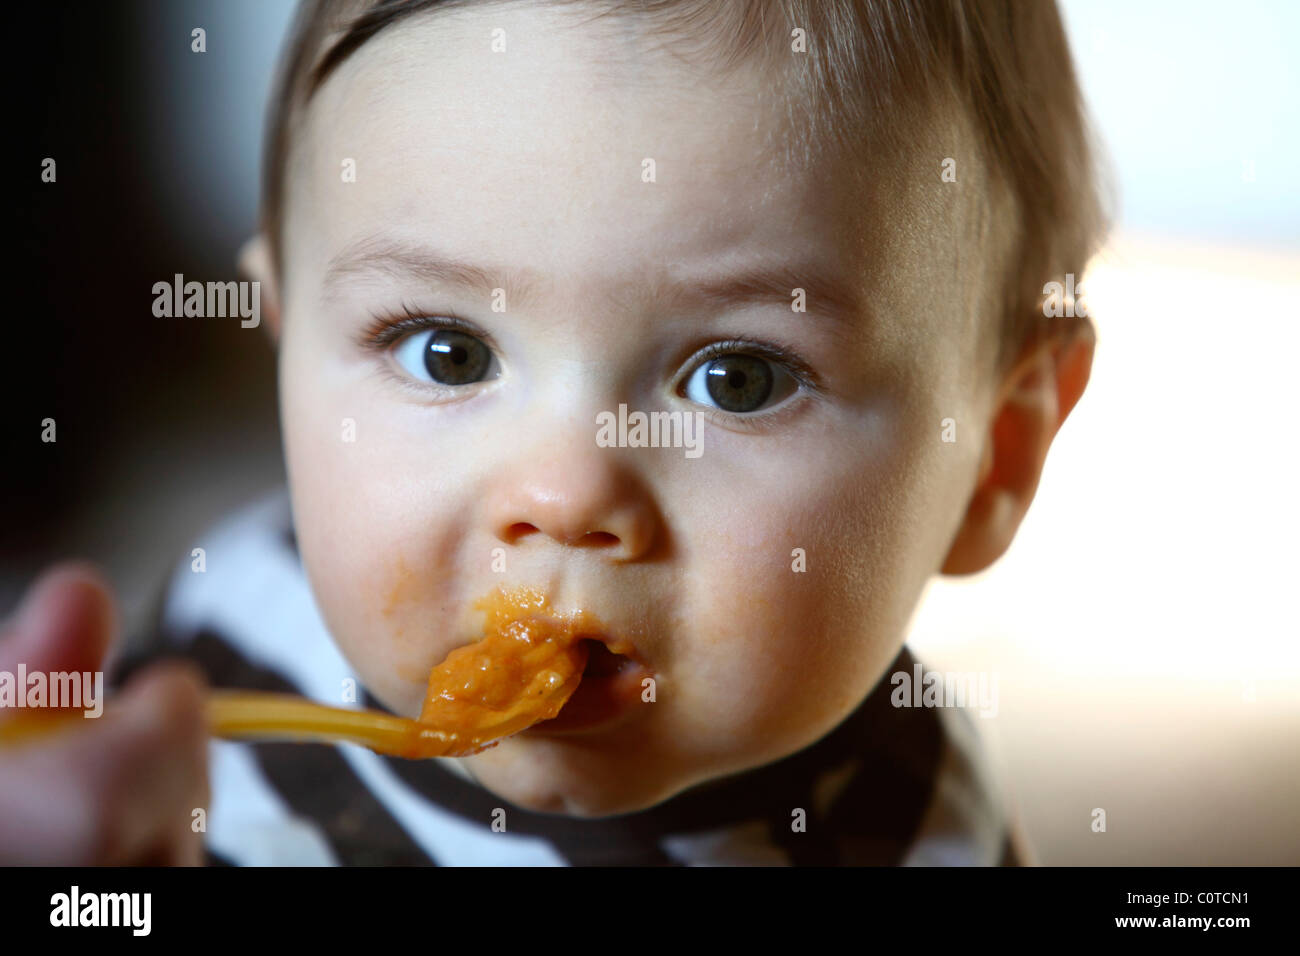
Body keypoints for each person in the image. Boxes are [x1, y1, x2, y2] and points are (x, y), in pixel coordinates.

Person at [0, 0, 1107, 865]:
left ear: (993, 458)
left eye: (739, 376)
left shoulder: (909, 831)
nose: (566, 493)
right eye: (448, 351)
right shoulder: (221, 641)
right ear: (286, 347)